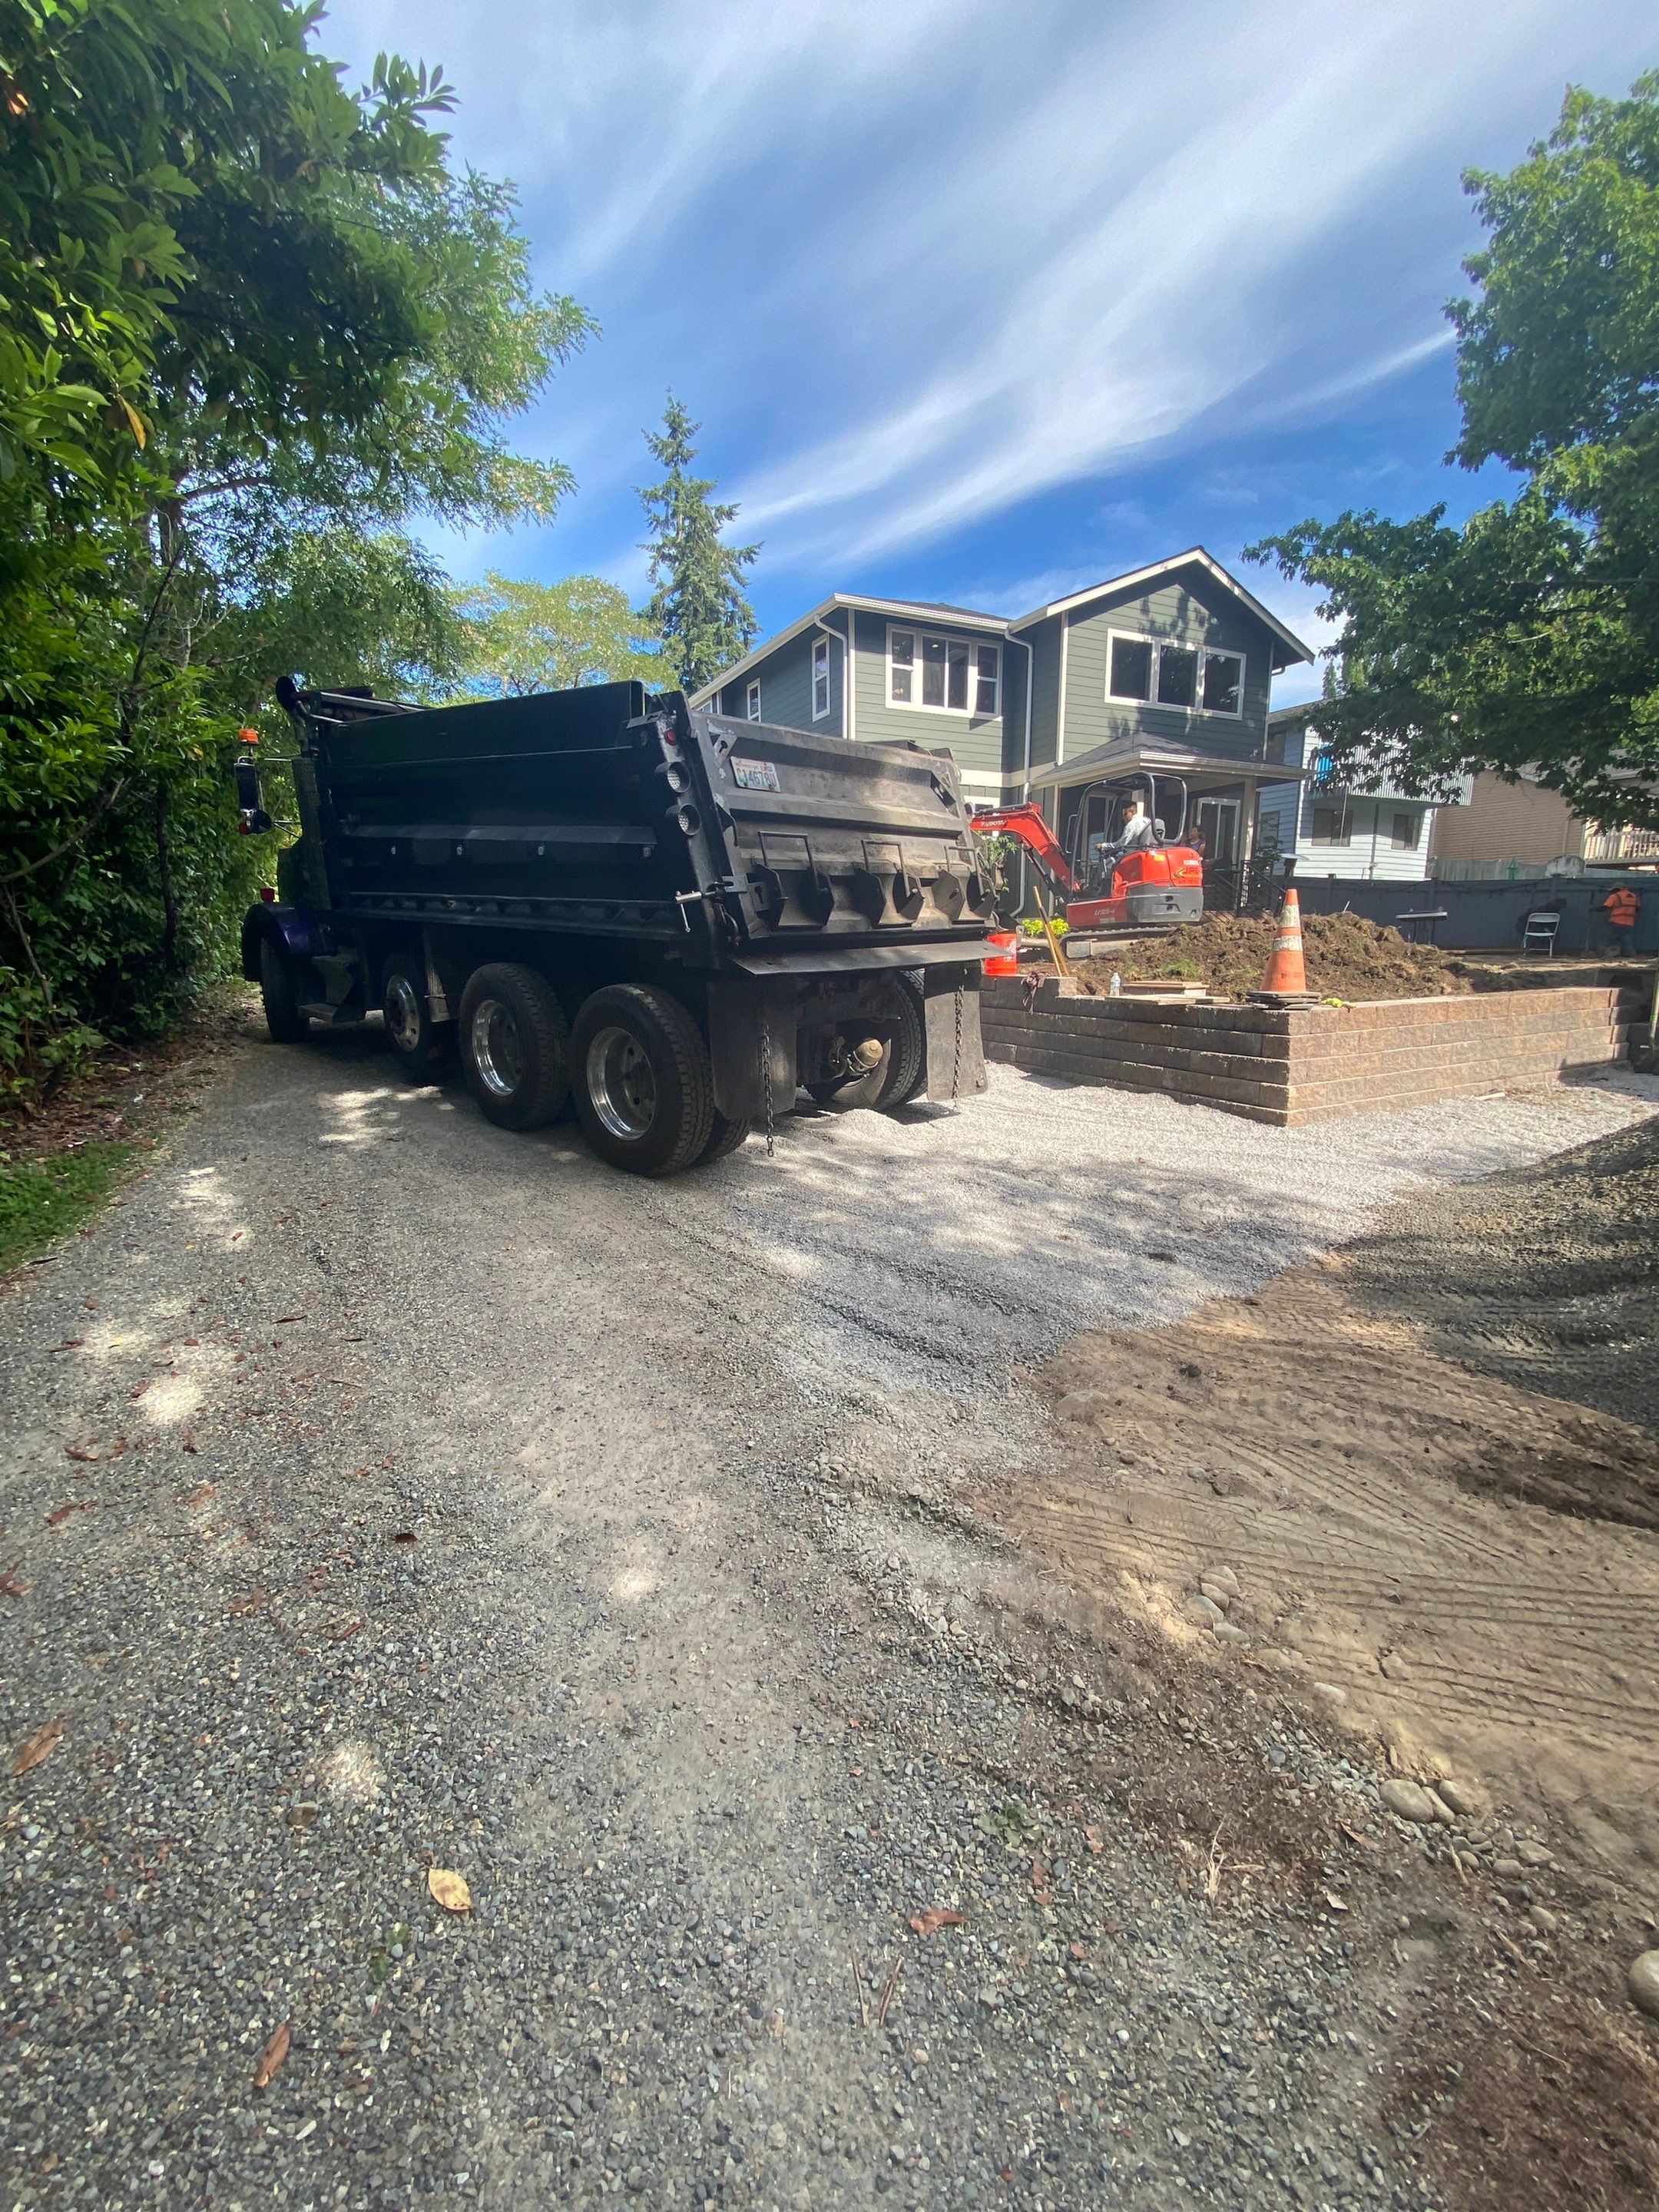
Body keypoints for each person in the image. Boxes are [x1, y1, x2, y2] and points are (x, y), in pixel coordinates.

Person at [1601, 882, 1640, 957]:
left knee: (1612, 939)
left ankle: (1614, 955)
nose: (1612, 892)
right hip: (1629, 923)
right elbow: (1638, 909)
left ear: (1617, 889)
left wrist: (1594, 909)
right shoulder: (1634, 897)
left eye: (1613, 890)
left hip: (1616, 922)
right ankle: (1631, 954)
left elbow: (1605, 907)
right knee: (1626, 940)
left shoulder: (1615, 896)